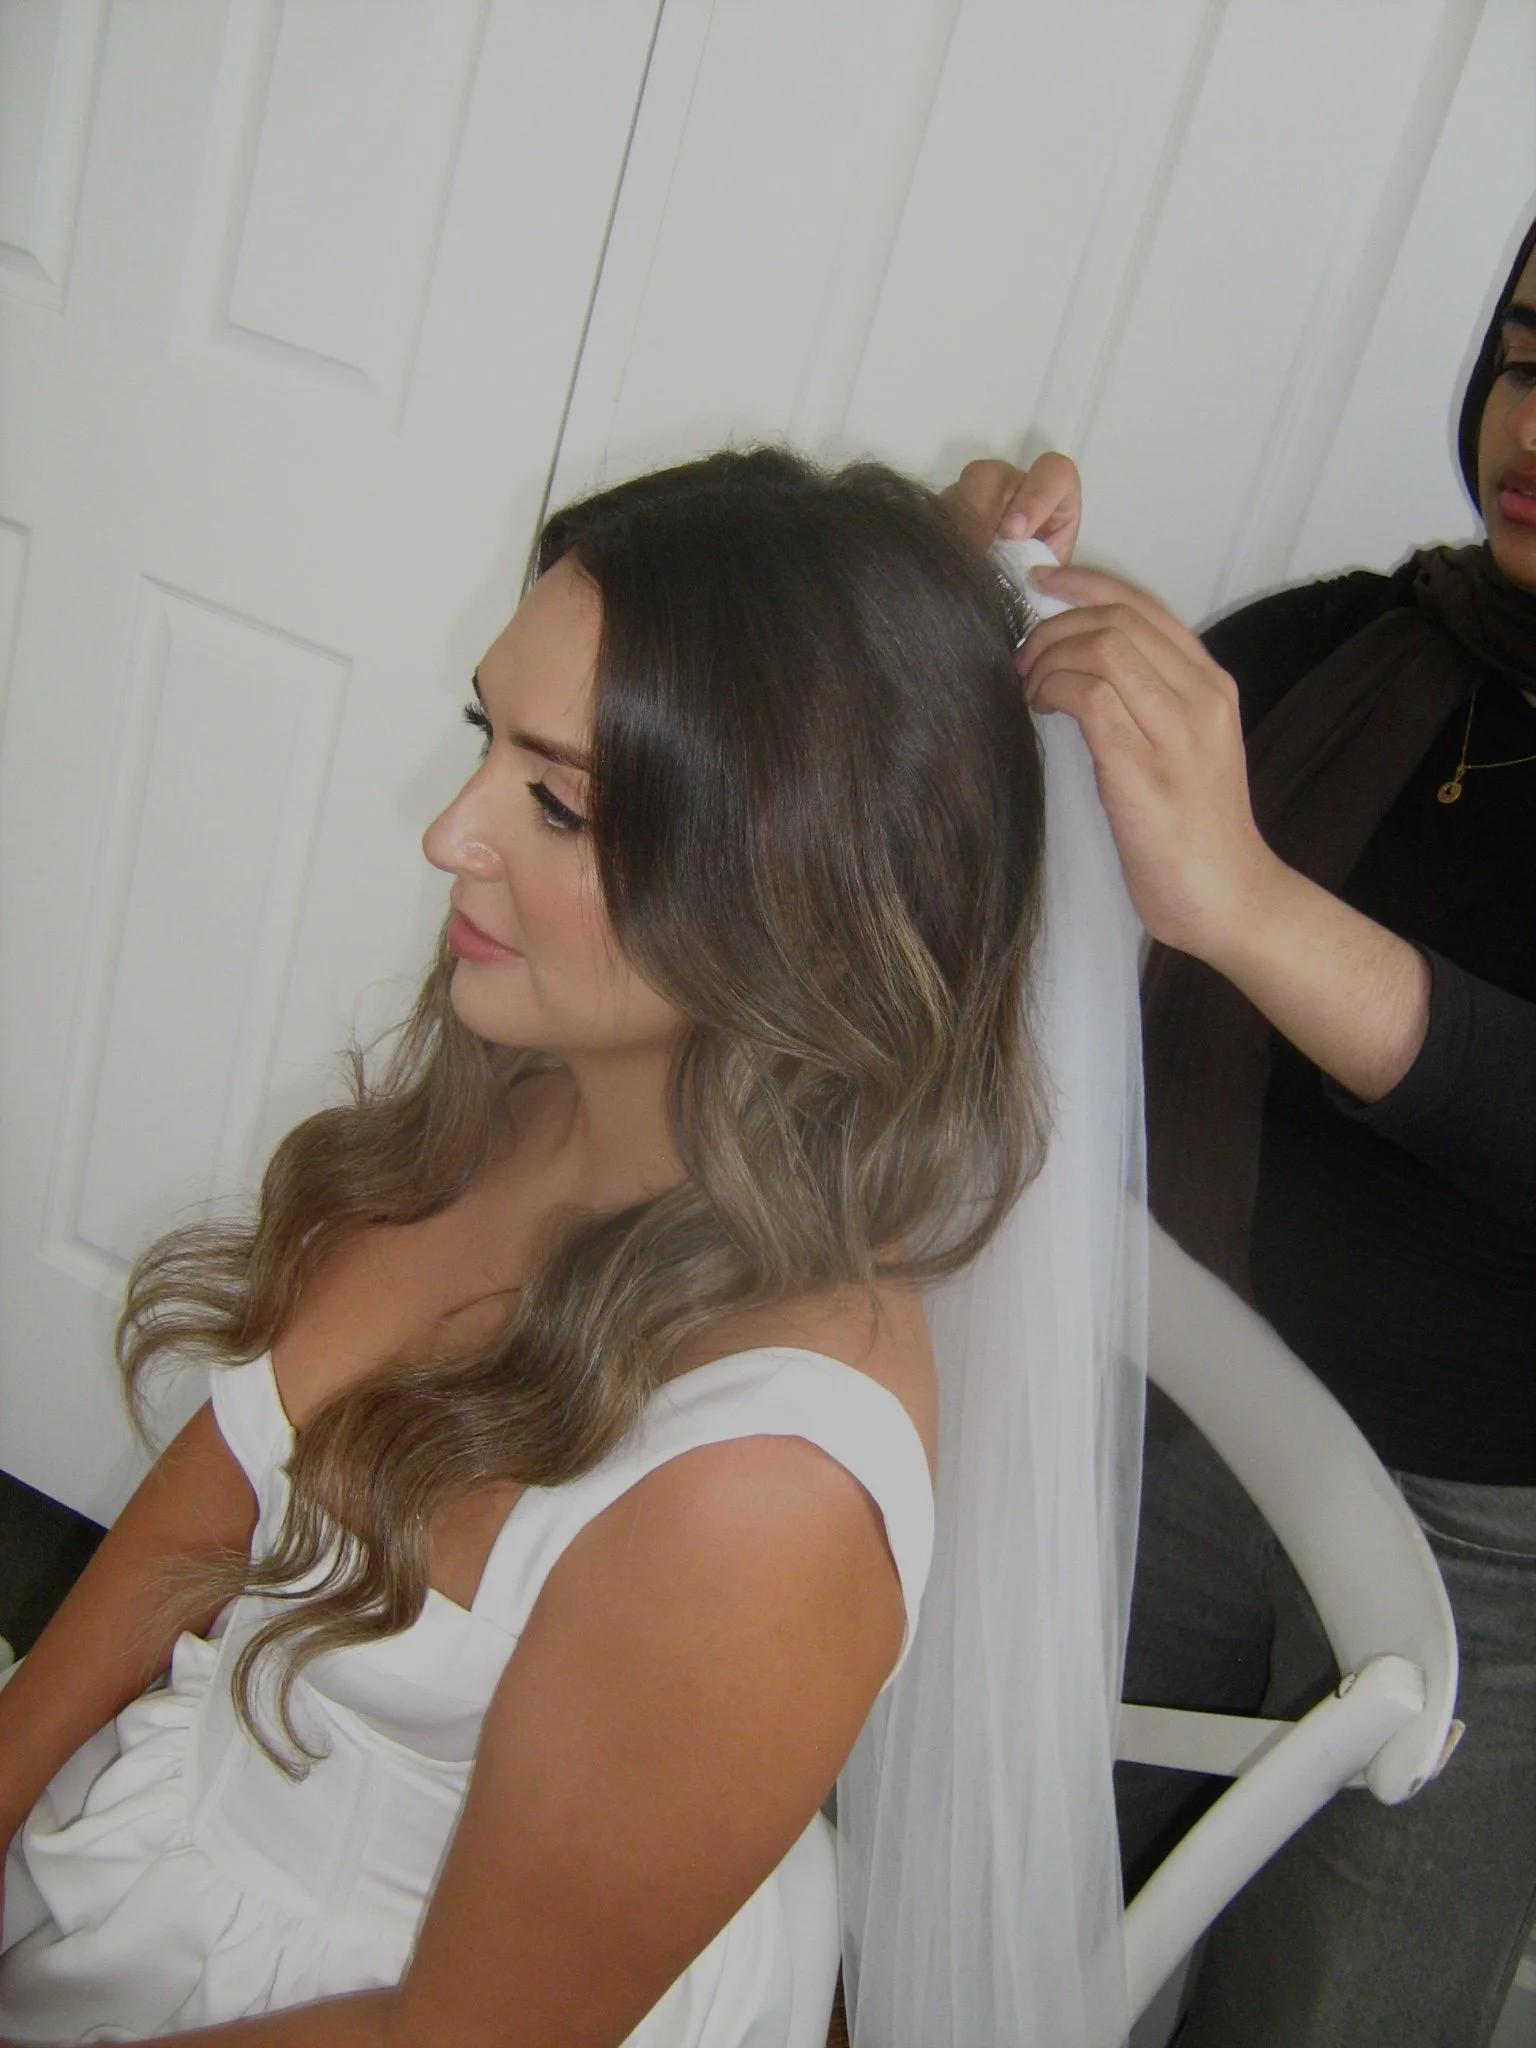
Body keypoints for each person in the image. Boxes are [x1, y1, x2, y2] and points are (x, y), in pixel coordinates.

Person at [0, 447, 1144, 2048]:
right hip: (178, 1850)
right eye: (490, 738)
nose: (448, 836)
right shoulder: (544, 1091)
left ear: (803, 895)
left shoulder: (764, 1504)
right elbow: (221, 1485)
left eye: (558, 802)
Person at [955, 214, 1536, 2046]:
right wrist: (985, 597)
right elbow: (995, 844)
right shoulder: (1357, 651)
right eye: (1530, 347)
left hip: (1503, 1559)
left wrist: (1251, 906)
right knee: (1026, 1917)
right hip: (1193, 1421)